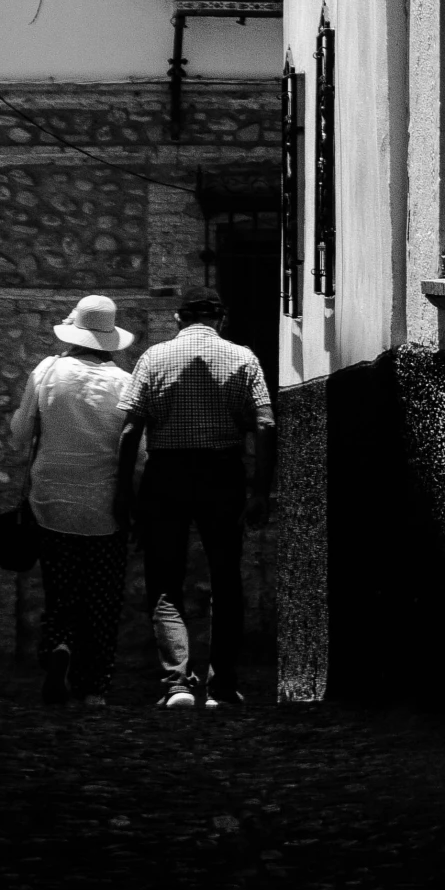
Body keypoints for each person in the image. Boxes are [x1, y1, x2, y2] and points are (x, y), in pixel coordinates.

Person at [115, 286, 275, 710]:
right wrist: (260, 489)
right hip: (222, 474)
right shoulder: (244, 358)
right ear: (221, 320)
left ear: (178, 319)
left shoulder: (153, 357)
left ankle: (177, 685)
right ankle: (221, 685)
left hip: (166, 474)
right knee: (226, 579)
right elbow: (265, 424)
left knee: (165, 581)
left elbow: (130, 431)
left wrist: (125, 493)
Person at [9, 293, 135, 706]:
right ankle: (93, 686)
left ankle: (59, 646)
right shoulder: (124, 382)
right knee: (100, 597)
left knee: (60, 588)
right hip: (105, 508)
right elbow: (141, 453)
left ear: (73, 331)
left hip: (51, 500)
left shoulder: (47, 371)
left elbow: (20, 433)